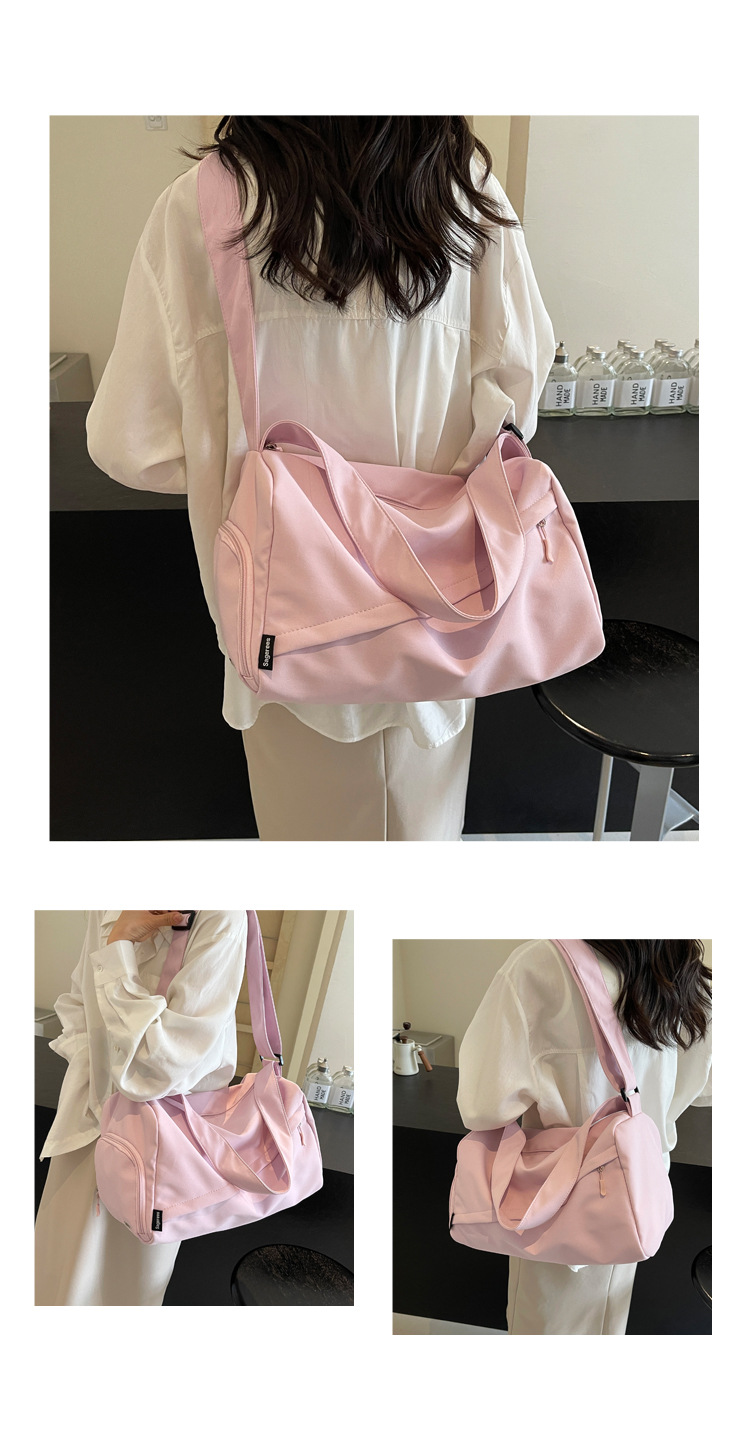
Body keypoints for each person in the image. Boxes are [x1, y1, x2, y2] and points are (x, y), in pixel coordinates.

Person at [86, 116, 555, 841]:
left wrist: (236, 468)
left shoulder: (204, 204)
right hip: (438, 619)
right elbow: (518, 396)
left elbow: (129, 443)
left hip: (283, 634)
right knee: (423, 837)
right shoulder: (463, 193)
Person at [457, 939, 712, 1335]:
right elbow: (706, 1088)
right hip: (641, 1196)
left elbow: (482, 1105)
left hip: (557, 1200)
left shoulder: (542, 964)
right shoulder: (681, 962)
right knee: (608, 1324)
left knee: (547, 1328)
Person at [35, 910, 248, 1306]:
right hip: (87, 1120)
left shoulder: (220, 913)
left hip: (159, 1145)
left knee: (122, 1286)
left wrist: (119, 946)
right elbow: (80, 1002)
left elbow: (163, 1063)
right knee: (54, 1276)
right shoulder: (107, 902)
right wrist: (95, 1071)